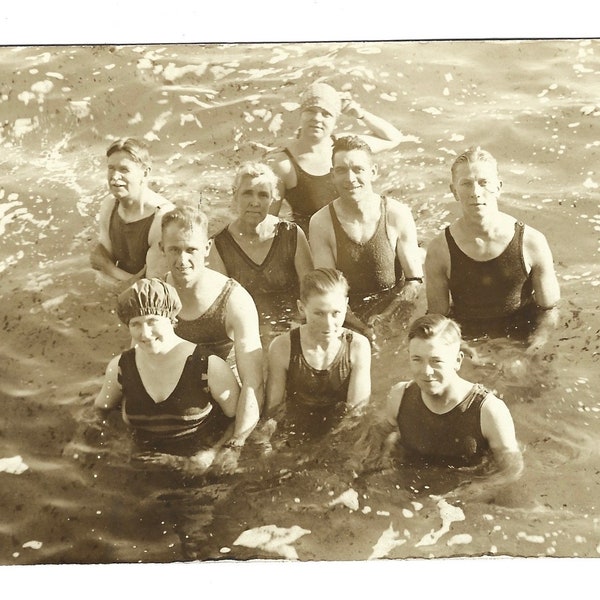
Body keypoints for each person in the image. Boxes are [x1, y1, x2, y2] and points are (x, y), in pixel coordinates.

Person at [358, 314, 523, 493]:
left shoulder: (489, 411)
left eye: (436, 361)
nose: (426, 371)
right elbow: (379, 432)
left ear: (458, 360)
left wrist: (466, 493)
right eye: (417, 359)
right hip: (411, 483)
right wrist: (365, 462)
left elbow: (510, 470)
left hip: (461, 494)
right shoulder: (400, 395)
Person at [94, 278, 242, 474]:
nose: (145, 334)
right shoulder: (120, 367)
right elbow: (100, 411)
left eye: (152, 321)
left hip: (194, 464)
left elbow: (237, 419)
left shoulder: (208, 366)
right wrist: (117, 444)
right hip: (140, 465)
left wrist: (211, 453)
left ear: (172, 319)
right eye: (135, 324)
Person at [424, 146, 560, 352]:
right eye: (466, 184)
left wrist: (534, 347)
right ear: (454, 191)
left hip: (522, 335)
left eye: (483, 183)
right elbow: (438, 320)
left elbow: (549, 310)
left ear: (498, 186)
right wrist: (464, 350)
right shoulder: (439, 249)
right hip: (468, 341)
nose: (475, 192)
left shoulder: (532, 242)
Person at [159, 205, 263, 462]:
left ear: (206, 249)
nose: (182, 260)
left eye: (191, 249)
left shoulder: (234, 300)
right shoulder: (157, 296)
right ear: (162, 248)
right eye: (174, 249)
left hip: (228, 401)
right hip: (181, 397)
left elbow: (254, 383)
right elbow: (136, 363)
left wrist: (235, 444)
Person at [309, 135, 424, 327]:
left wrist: (385, 318)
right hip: (346, 311)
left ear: (373, 172)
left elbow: (414, 281)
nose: (350, 178)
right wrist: (361, 328)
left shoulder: (397, 214)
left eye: (358, 169)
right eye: (341, 170)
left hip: (395, 304)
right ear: (332, 176)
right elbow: (328, 292)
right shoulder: (321, 222)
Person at [268, 81, 406, 233]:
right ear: (301, 114)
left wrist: (361, 114)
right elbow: (268, 221)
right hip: (313, 244)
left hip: (356, 232)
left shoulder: (345, 147)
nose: (317, 118)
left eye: (326, 114)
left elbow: (393, 138)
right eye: (311, 111)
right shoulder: (284, 164)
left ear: (335, 120)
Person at [264, 268, 371, 440]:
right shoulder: (282, 347)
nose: (328, 325)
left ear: (346, 306)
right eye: (319, 313)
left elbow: (356, 412)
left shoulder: (358, 346)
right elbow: (273, 411)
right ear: (301, 308)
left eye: (336, 313)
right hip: (297, 422)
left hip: (339, 425)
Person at [208, 162, 313, 299]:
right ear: (235, 195)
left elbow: (311, 293)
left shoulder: (291, 234)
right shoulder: (219, 245)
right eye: (248, 193)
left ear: (272, 199)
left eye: (263, 195)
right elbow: (222, 302)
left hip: (295, 319)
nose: (255, 202)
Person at [90, 137, 174, 284]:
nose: (115, 177)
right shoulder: (109, 205)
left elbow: (155, 289)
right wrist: (109, 270)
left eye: (124, 169)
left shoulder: (161, 219)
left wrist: (109, 268)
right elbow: (100, 268)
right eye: (111, 168)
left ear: (146, 173)